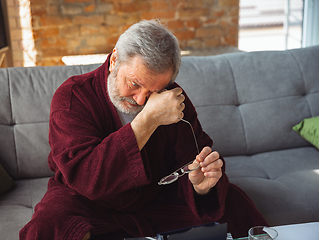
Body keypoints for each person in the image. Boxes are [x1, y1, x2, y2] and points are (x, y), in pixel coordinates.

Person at [19, 19, 268, 240]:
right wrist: (147, 120)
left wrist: (200, 185)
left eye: (153, 92)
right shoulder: (73, 97)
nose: (139, 100)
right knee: (50, 225)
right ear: (115, 59)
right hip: (86, 200)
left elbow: (193, 156)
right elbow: (85, 177)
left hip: (155, 198)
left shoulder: (173, 99)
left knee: (235, 202)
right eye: (135, 84)